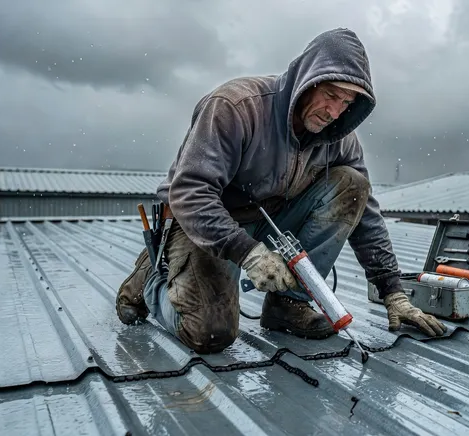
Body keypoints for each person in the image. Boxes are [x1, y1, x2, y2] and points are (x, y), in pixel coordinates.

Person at [115, 28, 446, 353]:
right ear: (308, 80)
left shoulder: (340, 138)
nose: (334, 112)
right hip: (204, 222)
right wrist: (249, 253)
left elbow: (366, 213)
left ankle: (288, 304)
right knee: (211, 334)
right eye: (331, 95)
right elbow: (190, 192)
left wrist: (393, 292)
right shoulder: (235, 107)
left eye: (346, 102)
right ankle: (151, 278)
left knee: (353, 185)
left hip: (270, 219)